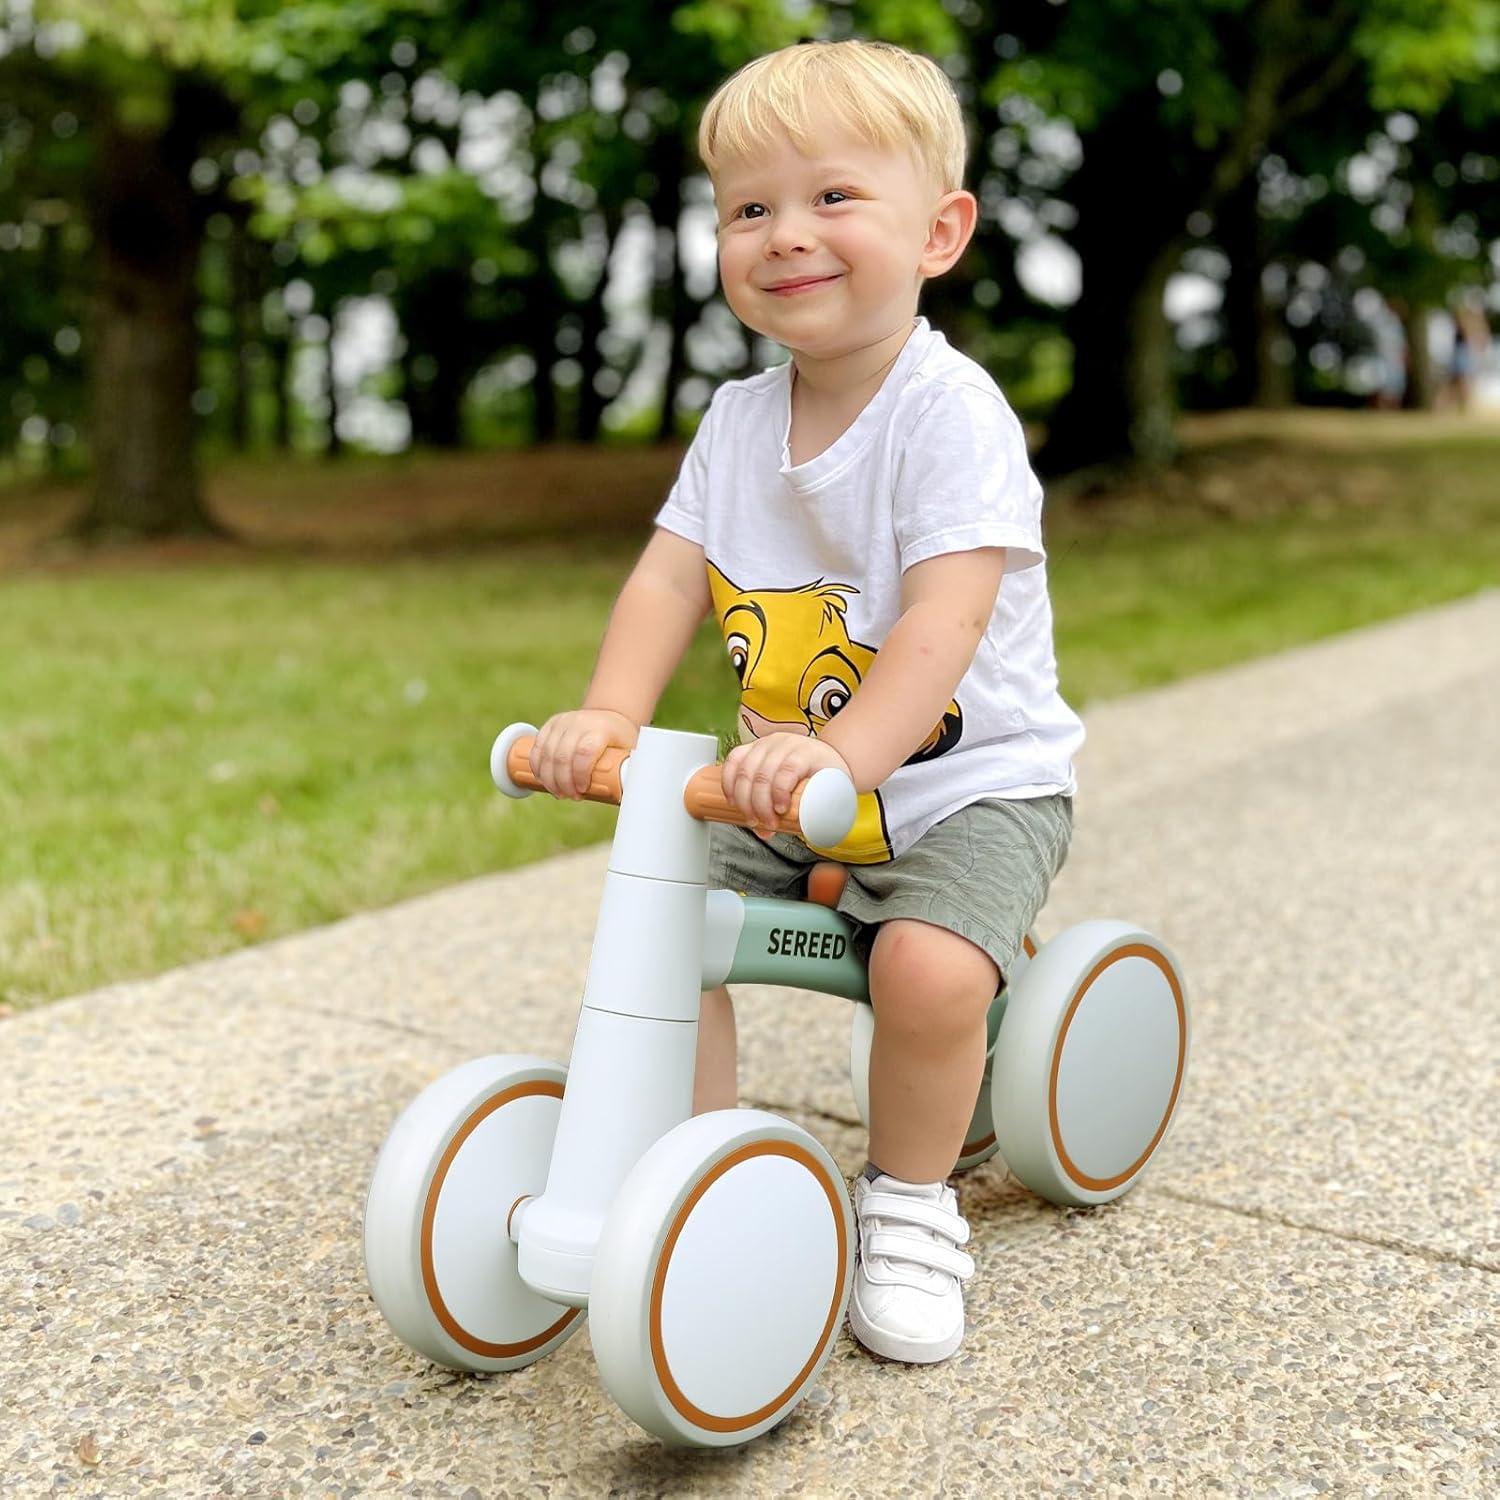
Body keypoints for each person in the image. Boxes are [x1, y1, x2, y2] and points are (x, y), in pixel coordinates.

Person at [527, 38, 1083, 1365]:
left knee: (928, 969)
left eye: (834, 197)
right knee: (658, 912)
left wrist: (845, 754)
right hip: (787, 782)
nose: (787, 235)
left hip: (967, 786)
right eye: (750, 209)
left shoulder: (949, 414)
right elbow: (668, 582)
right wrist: (607, 714)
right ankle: (696, 1176)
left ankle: (906, 1200)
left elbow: (944, 628)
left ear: (939, 231)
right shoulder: (734, 422)